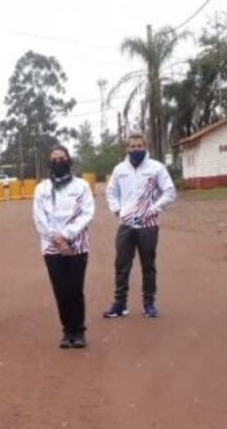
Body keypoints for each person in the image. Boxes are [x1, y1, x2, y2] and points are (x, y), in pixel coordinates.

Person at [103, 133, 177, 319]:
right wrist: (117, 209)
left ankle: (148, 304)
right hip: (126, 225)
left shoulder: (156, 168)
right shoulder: (120, 169)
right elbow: (111, 191)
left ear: (145, 146)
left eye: (139, 146)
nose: (135, 149)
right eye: (132, 146)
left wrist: (154, 209)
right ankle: (120, 304)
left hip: (148, 225)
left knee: (148, 265)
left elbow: (169, 191)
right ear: (127, 148)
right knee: (121, 265)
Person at [33, 145, 95, 348]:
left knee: (75, 289)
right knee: (60, 290)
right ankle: (67, 331)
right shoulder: (41, 189)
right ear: (49, 163)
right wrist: (55, 238)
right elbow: (39, 217)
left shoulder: (82, 186)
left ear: (69, 160)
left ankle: (79, 331)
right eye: (54, 159)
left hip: (77, 245)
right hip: (51, 247)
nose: (58, 162)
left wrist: (67, 236)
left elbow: (87, 213)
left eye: (62, 158)